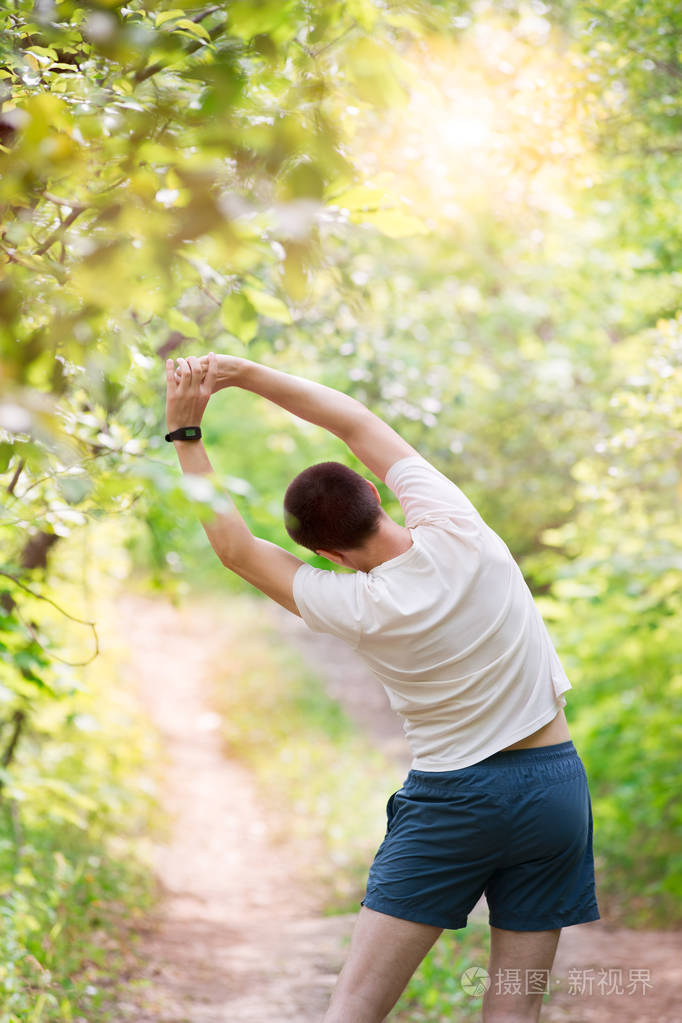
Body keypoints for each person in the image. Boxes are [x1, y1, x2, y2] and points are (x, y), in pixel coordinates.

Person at [164, 352, 600, 1023]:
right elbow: (354, 420)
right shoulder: (459, 527)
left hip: (455, 799)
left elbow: (238, 550)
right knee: (515, 1010)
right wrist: (242, 372)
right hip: (554, 788)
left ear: (327, 555)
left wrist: (185, 436)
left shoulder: (355, 604)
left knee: (356, 1005)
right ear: (376, 491)